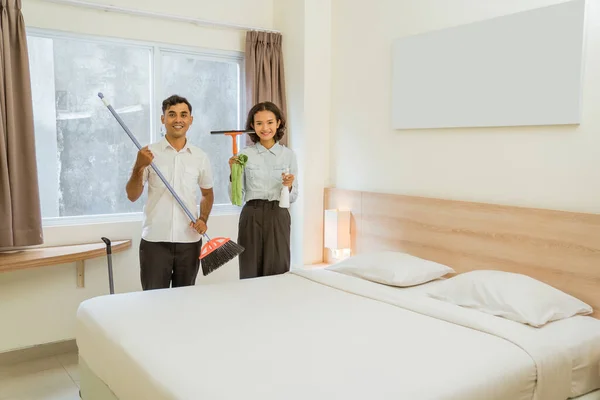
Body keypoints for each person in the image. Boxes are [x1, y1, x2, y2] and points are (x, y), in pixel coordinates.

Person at [126, 94, 214, 290]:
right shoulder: (147, 154)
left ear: (190, 120)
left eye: (183, 115)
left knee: (184, 301)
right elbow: (132, 195)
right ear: (163, 119)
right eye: (172, 114)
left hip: (189, 242)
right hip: (155, 242)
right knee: (154, 301)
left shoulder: (200, 157)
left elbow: (207, 194)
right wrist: (139, 167)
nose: (178, 120)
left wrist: (203, 219)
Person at [228, 101, 298, 279]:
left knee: (278, 269)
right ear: (252, 126)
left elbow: (293, 196)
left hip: (278, 214)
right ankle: (251, 305)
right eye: (259, 123)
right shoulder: (244, 155)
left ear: (278, 123)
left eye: (270, 122)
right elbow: (236, 198)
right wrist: (233, 174)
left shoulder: (288, 155)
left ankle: (276, 305)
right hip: (251, 214)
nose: (265, 128)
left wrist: (288, 186)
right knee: (249, 268)